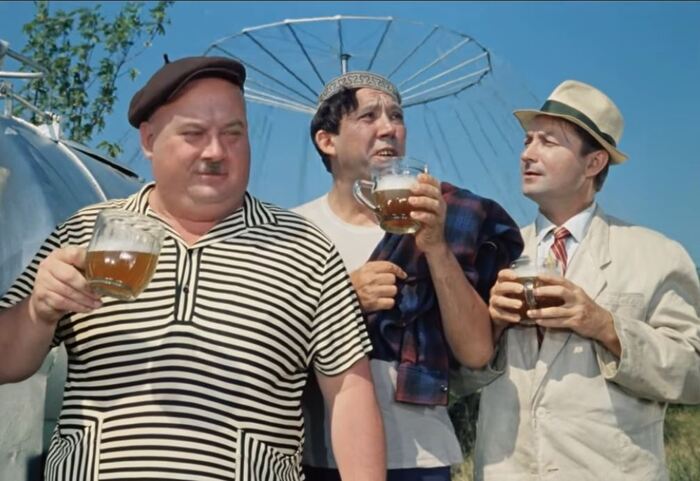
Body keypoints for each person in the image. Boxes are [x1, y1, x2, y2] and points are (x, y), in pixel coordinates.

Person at [0, 56, 386, 481]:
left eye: (233, 134)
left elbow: (350, 391)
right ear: (149, 140)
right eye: (194, 134)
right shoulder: (89, 231)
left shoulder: (304, 247)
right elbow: (6, 363)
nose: (216, 151)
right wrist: (38, 310)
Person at [293, 71, 523, 481]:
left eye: (396, 116)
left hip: (422, 458)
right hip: (319, 456)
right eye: (368, 116)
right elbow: (265, 348)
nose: (389, 128)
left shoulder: (443, 218)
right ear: (327, 140)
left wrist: (435, 246)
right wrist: (343, 299)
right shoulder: (293, 232)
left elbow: (476, 353)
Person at [474, 79, 700, 480]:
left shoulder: (658, 254)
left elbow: (694, 375)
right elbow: (457, 377)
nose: (527, 153)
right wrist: (489, 327)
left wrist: (606, 327)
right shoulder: (493, 254)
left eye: (547, 142)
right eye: (527, 141)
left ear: (594, 163)